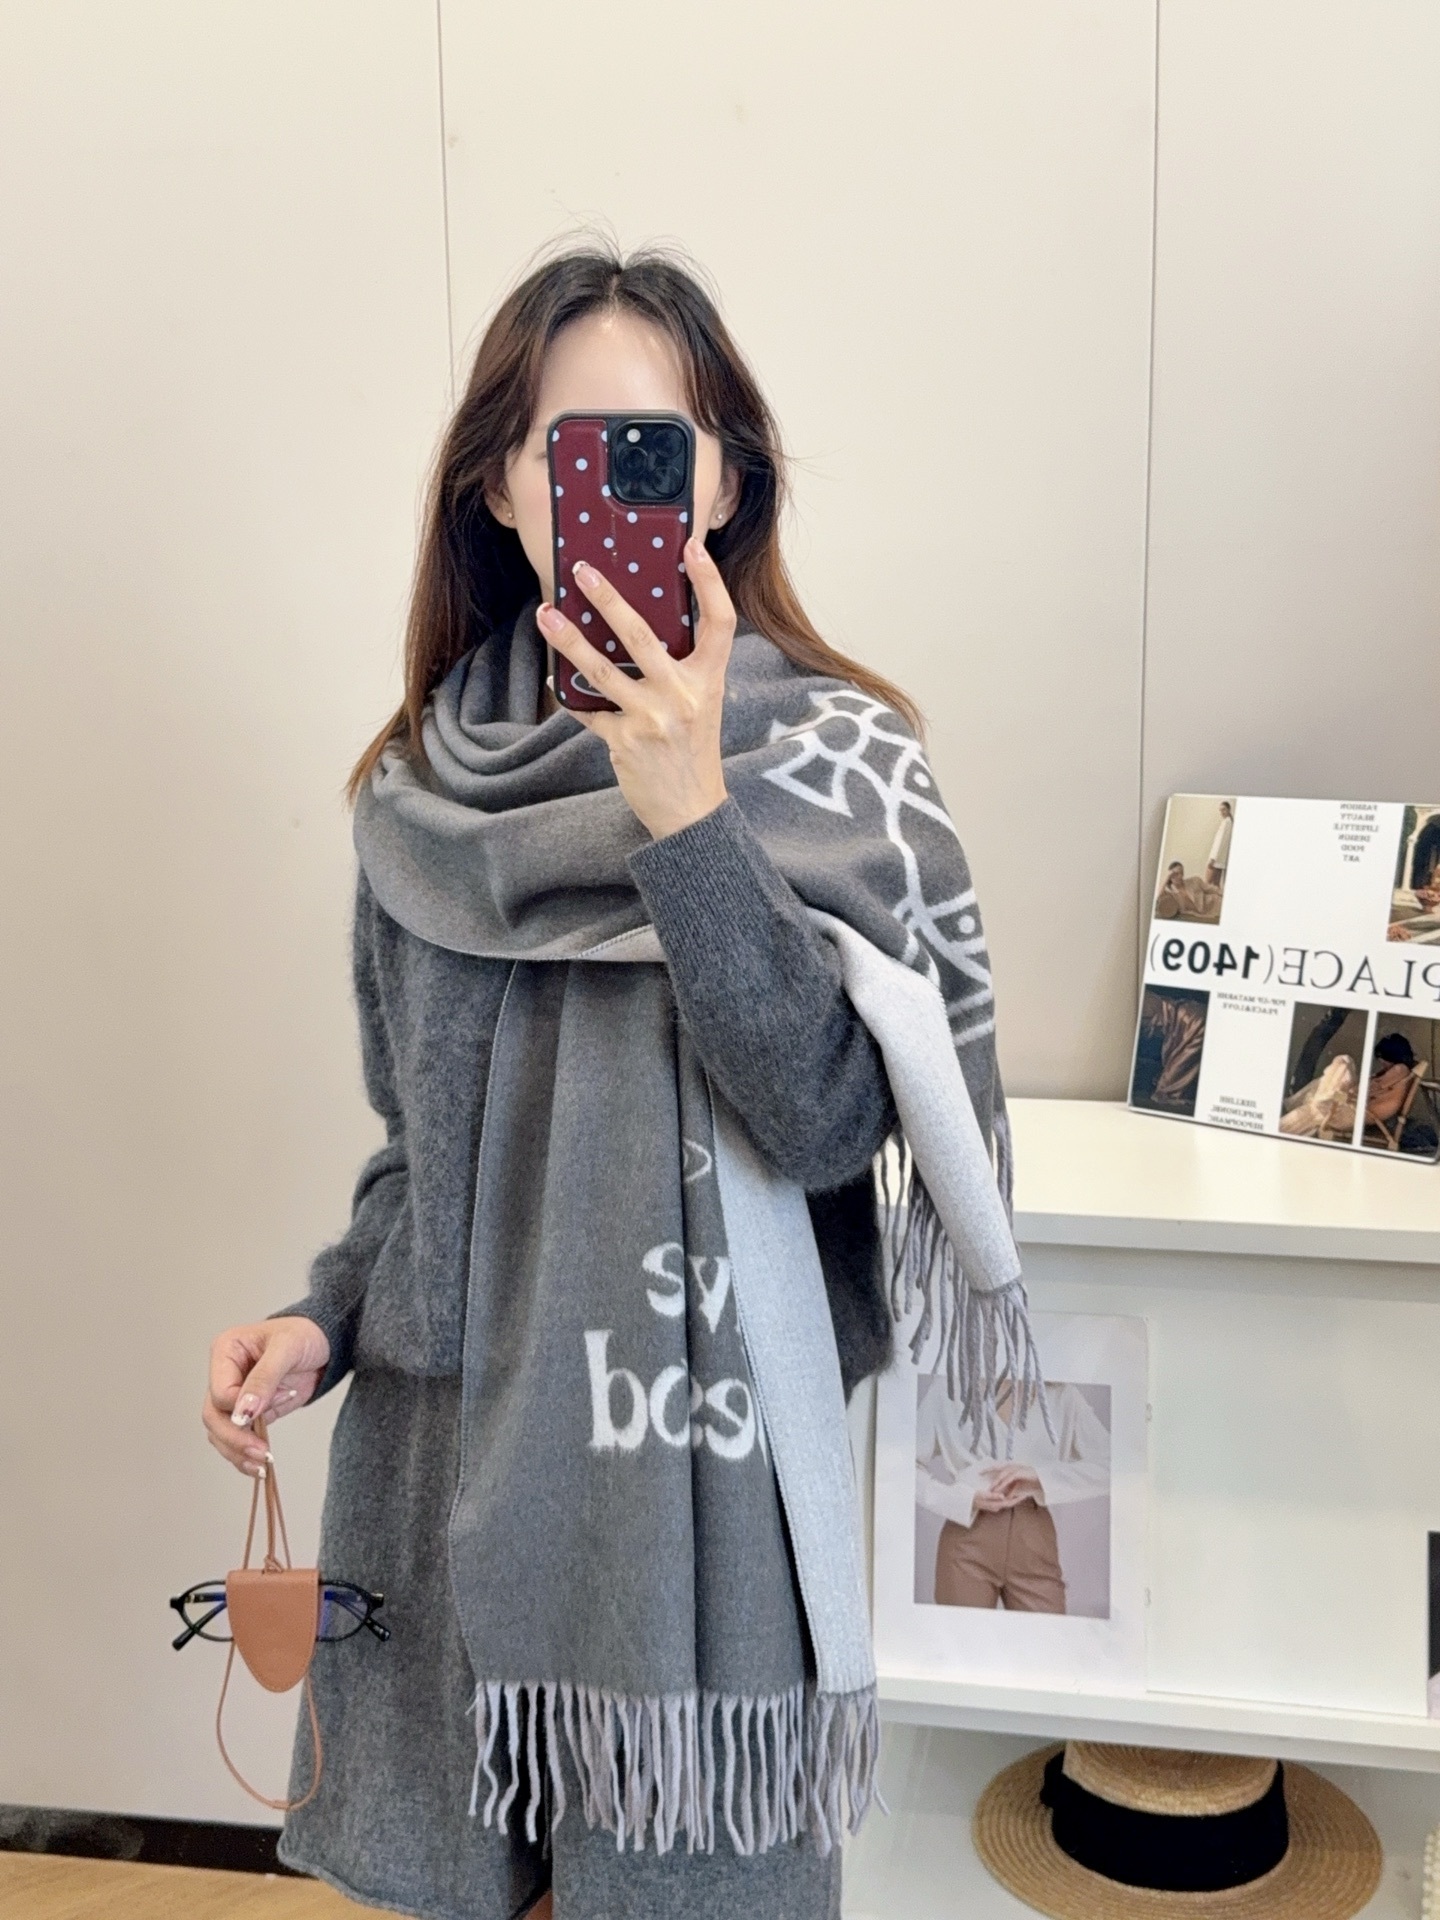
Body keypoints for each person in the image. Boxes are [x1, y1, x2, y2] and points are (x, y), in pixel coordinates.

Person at [199, 247, 1025, 1920]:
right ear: (499, 487)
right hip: (455, 1476)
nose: (618, 488)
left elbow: (826, 1125)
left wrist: (692, 820)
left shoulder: (838, 763)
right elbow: (419, 1155)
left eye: (661, 446)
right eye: (570, 448)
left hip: (696, 1503)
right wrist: (321, 1319)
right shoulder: (423, 794)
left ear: (725, 481)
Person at [916, 1377, 1109, 1613]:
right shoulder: (950, 1387)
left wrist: (1040, 1476)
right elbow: (903, 1466)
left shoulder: (1063, 1395)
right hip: (967, 1536)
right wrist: (962, 1500)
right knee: (963, 1636)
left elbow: (1114, 1465)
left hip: (1034, 1537)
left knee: (1046, 1635)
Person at [1205, 800, 1234, 888]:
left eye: (1224, 809)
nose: (1222, 812)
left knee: (1208, 884)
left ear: (1229, 809)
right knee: (1215, 885)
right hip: (1219, 860)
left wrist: (1213, 858)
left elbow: (1221, 842)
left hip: (1216, 859)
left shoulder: (1227, 822)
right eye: (1220, 810)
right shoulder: (1227, 821)